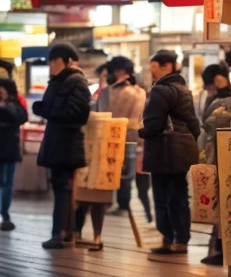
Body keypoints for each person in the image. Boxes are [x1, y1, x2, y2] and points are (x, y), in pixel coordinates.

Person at [139, 49, 200, 258]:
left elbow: (154, 124)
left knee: (163, 197)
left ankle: (168, 238)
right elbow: (194, 123)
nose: (152, 72)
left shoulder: (161, 90)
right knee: (179, 196)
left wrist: (141, 132)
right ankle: (181, 240)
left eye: (154, 68)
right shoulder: (183, 88)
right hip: (182, 151)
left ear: (165, 66)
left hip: (164, 151)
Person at [33, 42, 91, 249]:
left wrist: (45, 111)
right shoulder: (59, 82)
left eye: (54, 61)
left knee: (63, 188)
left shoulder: (76, 83)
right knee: (60, 188)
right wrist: (43, 109)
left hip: (67, 145)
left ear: (66, 62)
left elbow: (77, 115)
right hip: (56, 142)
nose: (51, 65)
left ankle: (62, 233)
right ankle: (61, 232)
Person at [99, 56, 147, 218]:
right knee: (125, 174)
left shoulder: (108, 92)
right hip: (129, 138)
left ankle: (108, 202)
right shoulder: (139, 92)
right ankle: (123, 204)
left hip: (109, 137)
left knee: (108, 170)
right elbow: (138, 120)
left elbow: (100, 113)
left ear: (120, 72)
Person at [197, 63, 231, 267]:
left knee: (223, 201)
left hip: (222, 156)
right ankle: (219, 249)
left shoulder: (226, 100)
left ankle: (223, 249)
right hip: (217, 155)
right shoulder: (223, 98)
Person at [0, 79, 28, 231]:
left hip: (10, 148)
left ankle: (5, 213)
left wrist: (6, 104)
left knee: (7, 183)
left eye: (2, 89)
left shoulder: (16, 103)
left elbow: (22, 117)